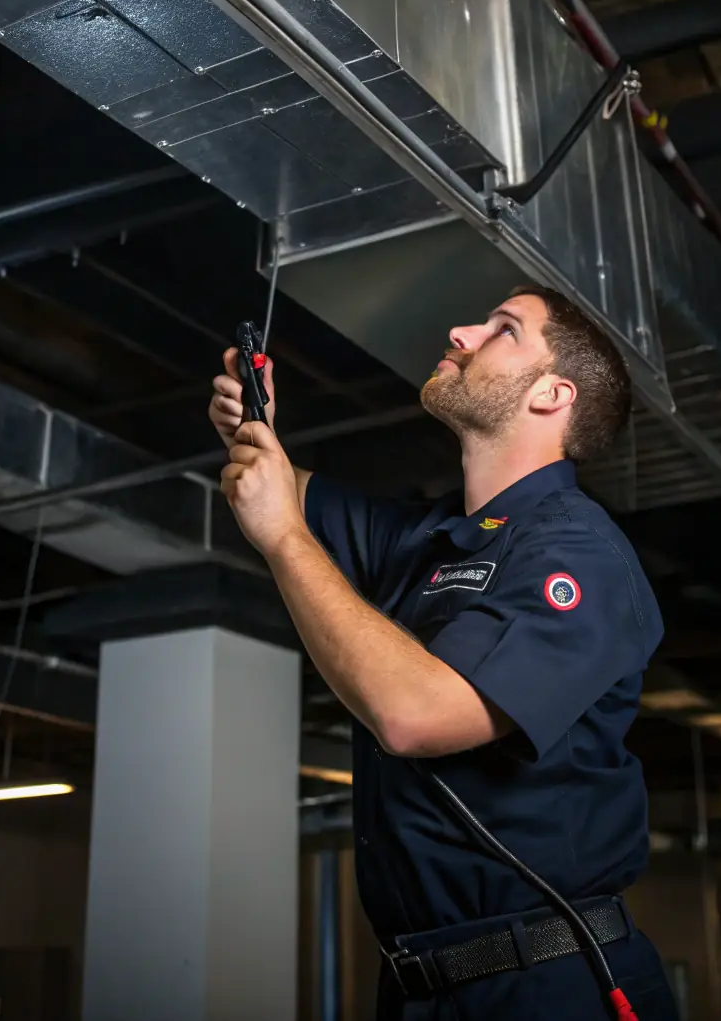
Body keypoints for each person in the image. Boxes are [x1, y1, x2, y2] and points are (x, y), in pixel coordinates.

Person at [209, 285, 679, 1021]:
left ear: (554, 394)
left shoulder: (580, 555)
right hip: (421, 989)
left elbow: (412, 715)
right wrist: (255, 428)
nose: (461, 330)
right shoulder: (429, 537)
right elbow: (279, 491)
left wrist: (284, 538)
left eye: (501, 329)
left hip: (544, 987)